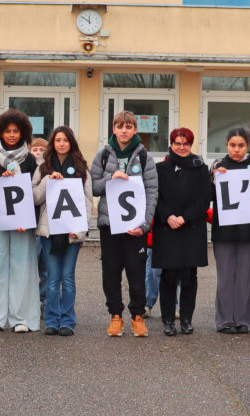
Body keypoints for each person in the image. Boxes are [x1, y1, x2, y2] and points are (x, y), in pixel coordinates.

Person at [91, 111, 158, 338]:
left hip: (135, 226)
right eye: (120, 126)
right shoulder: (102, 155)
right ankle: (115, 316)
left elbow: (152, 192)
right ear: (114, 129)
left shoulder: (144, 157)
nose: (124, 131)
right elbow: (93, 188)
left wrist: (146, 223)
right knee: (111, 273)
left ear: (135, 130)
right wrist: (110, 179)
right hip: (109, 225)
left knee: (136, 272)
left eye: (129, 127)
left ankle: (137, 316)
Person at [0, 109, 41, 333]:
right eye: (7, 131)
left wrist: (29, 218)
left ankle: (21, 318)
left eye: (16, 131)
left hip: (23, 223)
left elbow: (35, 191)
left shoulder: (31, 159)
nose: (12, 135)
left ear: (23, 133)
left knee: (23, 268)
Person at [152, 128, 211, 337]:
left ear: (191, 145)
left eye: (186, 143)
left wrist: (185, 218)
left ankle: (186, 319)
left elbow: (205, 200)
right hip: (167, 228)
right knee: (167, 277)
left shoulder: (201, 169)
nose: (182, 147)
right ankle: (168, 319)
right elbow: (154, 198)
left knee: (188, 276)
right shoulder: (159, 169)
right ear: (171, 144)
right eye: (178, 143)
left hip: (190, 228)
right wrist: (168, 216)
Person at [33, 126, 91, 336]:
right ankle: (51, 320)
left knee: (67, 278)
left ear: (71, 142)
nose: (61, 143)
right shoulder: (42, 166)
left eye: (65, 140)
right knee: (52, 278)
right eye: (58, 140)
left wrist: (81, 229)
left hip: (72, 232)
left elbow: (86, 201)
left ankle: (67, 320)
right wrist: (48, 181)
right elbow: (34, 198)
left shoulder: (81, 167)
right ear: (52, 143)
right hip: (49, 232)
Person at [211, 127, 250, 335]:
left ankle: (242, 320)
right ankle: (225, 320)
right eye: (233, 145)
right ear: (227, 145)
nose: (237, 150)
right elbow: (208, 194)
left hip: (248, 230)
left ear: (248, 145)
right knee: (225, 276)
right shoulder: (218, 166)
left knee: (243, 276)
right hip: (224, 230)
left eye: (241, 145)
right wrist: (215, 179)